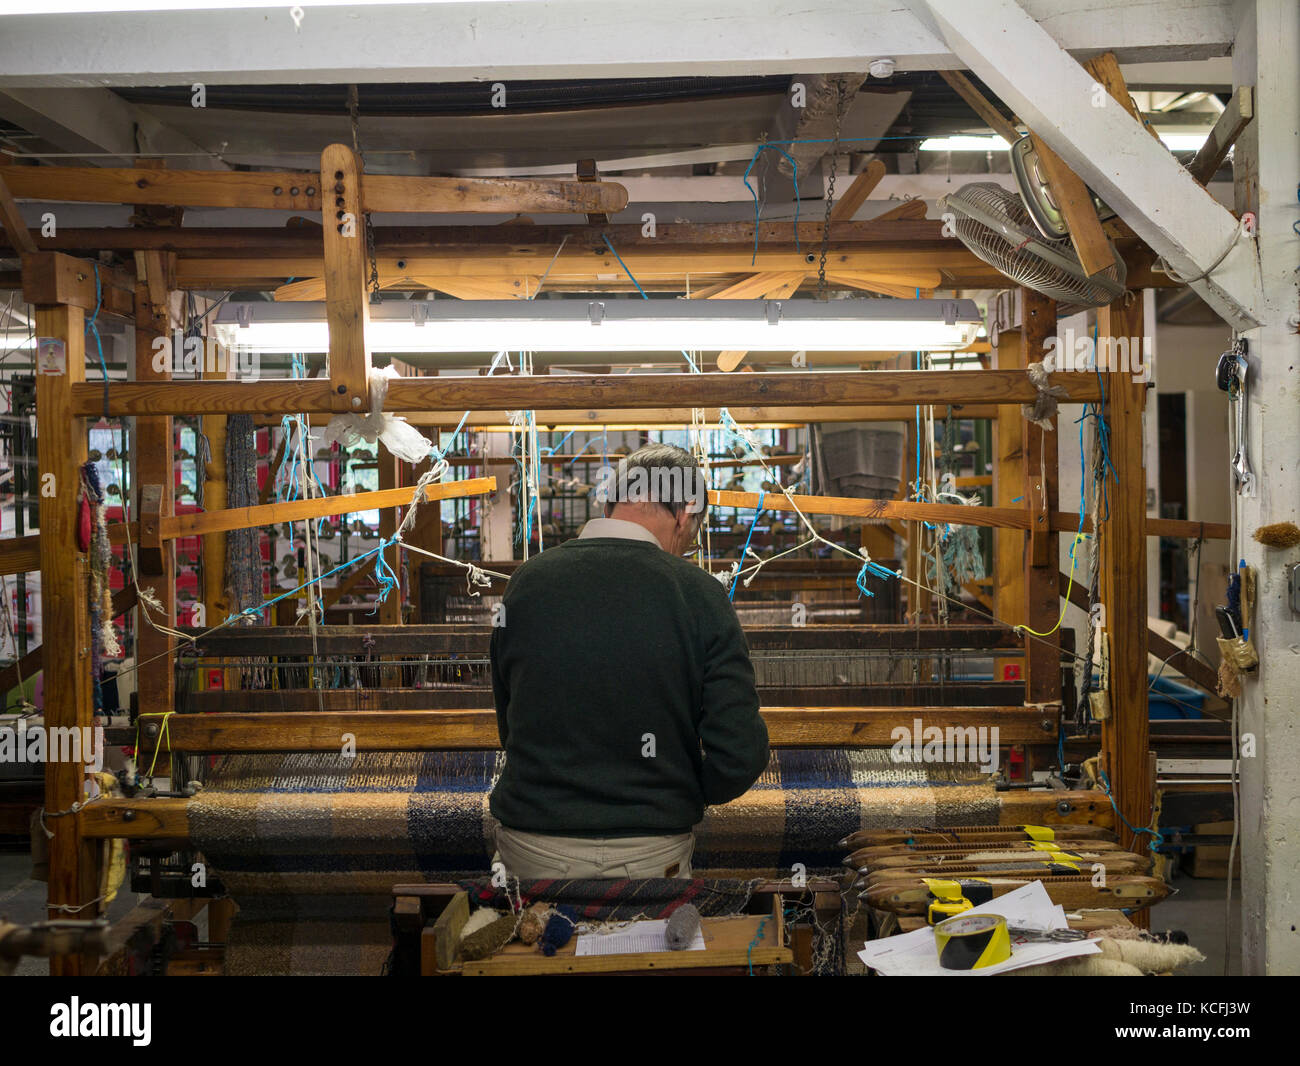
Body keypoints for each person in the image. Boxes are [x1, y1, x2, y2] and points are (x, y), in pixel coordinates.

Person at [488, 442, 768, 879]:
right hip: (651, 855)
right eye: (692, 533)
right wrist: (677, 792)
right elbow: (740, 755)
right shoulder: (700, 595)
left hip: (532, 847)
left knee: (534, 947)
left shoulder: (527, 583)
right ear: (683, 513)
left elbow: (510, 722)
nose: (685, 547)